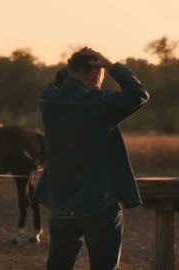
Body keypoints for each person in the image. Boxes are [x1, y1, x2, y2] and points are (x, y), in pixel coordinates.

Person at [35, 47, 150, 270]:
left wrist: (74, 66)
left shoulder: (48, 100)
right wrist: (112, 66)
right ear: (96, 72)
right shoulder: (100, 103)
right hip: (98, 201)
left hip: (61, 202)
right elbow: (139, 94)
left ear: (70, 70)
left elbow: (60, 81)